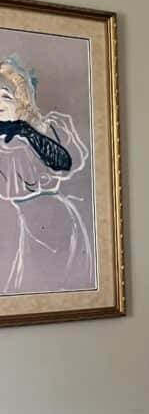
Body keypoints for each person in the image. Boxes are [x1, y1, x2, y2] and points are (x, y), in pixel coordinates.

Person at [0, 55, 93, 295]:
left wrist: (27, 132)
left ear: (21, 99)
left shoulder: (40, 130)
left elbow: (63, 162)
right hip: (17, 225)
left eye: (5, 96)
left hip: (53, 220)